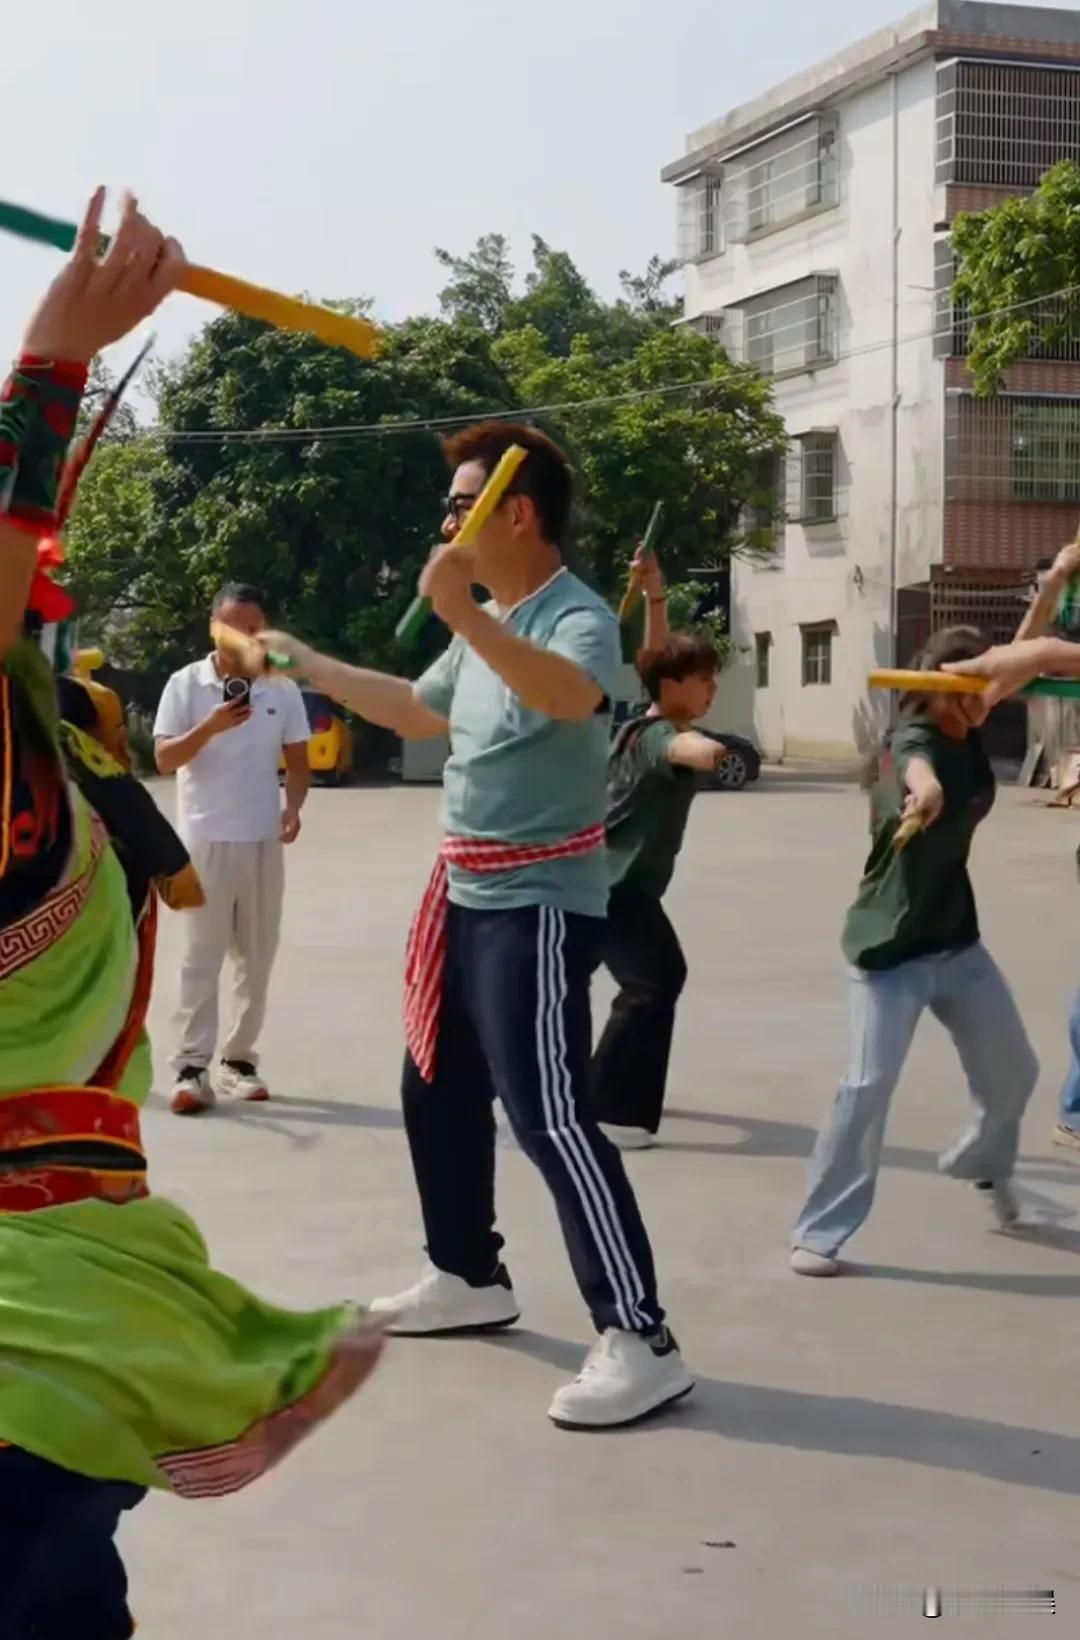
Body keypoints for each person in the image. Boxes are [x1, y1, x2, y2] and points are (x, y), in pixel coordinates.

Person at [0, 189, 383, 1640]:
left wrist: (54, 363)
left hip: (53, 1323)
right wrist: (52, 360)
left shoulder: (54, 764)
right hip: (89, 1321)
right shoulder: (69, 760)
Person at [261, 421, 693, 1429]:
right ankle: (467, 1273)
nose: (446, 524)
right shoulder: (490, 622)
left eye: (461, 507)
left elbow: (571, 694)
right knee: (436, 1086)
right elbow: (421, 710)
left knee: (550, 1116)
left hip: (536, 903)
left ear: (517, 513)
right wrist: (312, 663)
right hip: (463, 893)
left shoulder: (575, 616)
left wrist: (462, 610)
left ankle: (643, 1337)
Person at [790, 626, 1039, 1277]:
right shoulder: (912, 740)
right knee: (867, 1085)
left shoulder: (968, 718)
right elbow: (918, 772)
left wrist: (1051, 589)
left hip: (956, 942)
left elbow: (1020, 651)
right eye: (969, 690)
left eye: (986, 688)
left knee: (1014, 1070)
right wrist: (924, 795)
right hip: (889, 949)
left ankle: (985, 1164)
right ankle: (819, 1229)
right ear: (933, 690)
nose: (984, 700)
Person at [154, 584, 312, 1112]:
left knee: (257, 957)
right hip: (205, 839)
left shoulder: (281, 689)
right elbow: (164, 759)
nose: (245, 636)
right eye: (233, 626)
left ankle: (237, 1061)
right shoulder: (185, 684)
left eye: (254, 627)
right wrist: (212, 725)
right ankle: (190, 1068)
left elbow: (298, 763)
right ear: (212, 628)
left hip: (262, 839)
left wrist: (293, 807)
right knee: (199, 957)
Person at [592, 548, 728, 1149]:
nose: (713, 691)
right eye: (705, 683)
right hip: (615, 887)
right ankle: (609, 1111)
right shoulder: (656, 738)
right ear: (673, 689)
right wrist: (708, 749)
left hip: (602, 881)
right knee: (654, 980)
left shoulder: (640, 719)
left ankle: (583, 1092)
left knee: (571, 989)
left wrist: (655, 594)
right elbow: (678, 747)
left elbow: (656, 661)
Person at [944, 571, 1080, 1152]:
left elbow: (1021, 660)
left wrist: (1045, 642)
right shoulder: (921, 741)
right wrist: (1050, 601)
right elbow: (1013, 666)